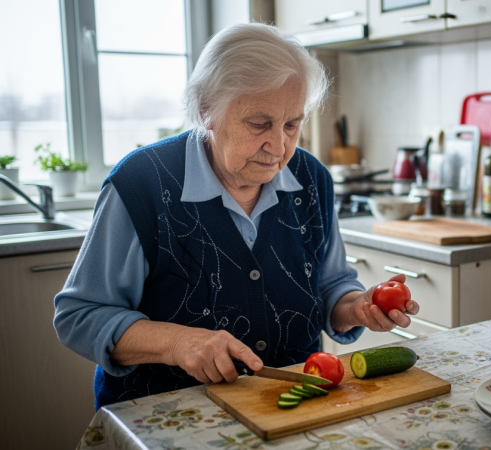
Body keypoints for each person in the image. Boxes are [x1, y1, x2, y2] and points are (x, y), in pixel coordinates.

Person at [53, 23, 419, 410]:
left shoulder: (312, 179)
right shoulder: (141, 184)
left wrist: (357, 307)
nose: (278, 146)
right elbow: (80, 316)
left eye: (292, 125)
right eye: (259, 124)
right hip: (167, 416)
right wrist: (177, 343)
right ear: (206, 110)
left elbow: (331, 286)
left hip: (291, 408)